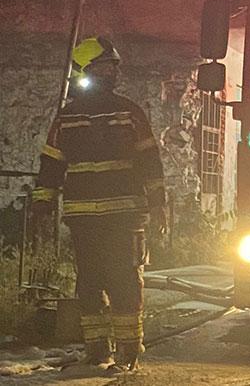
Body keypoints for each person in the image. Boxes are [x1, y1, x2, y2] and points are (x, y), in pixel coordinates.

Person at [32, 36, 167, 373]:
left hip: (124, 216)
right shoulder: (69, 117)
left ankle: (128, 352)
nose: (112, 73)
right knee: (89, 283)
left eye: (113, 67)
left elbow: (150, 162)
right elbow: (51, 165)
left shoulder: (127, 112)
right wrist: (42, 203)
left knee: (124, 281)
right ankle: (96, 350)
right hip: (86, 218)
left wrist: (159, 204)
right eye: (105, 67)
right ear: (86, 72)